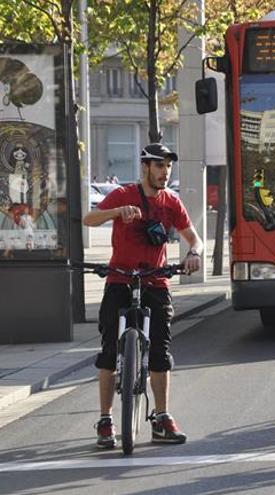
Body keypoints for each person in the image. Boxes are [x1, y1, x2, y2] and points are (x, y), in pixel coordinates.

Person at [83, 143, 203, 448]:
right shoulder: (123, 194)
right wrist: (116, 211)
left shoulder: (171, 202)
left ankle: (161, 418)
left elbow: (194, 238)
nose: (165, 172)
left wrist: (194, 253)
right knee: (109, 350)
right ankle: (106, 420)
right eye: (159, 166)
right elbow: (89, 219)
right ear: (145, 167)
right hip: (120, 278)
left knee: (160, 354)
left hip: (155, 281)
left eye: (168, 167)